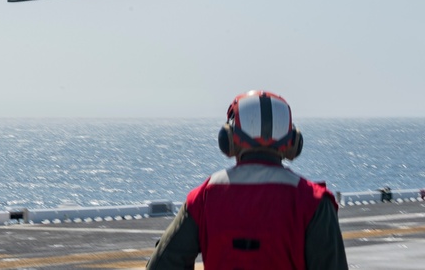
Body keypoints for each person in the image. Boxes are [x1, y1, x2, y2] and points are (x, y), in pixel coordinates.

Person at [146, 90, 348, 269]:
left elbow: (161, 264)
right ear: (292, 142)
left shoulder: (204, 197)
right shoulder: (314, 201)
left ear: (229, 139)